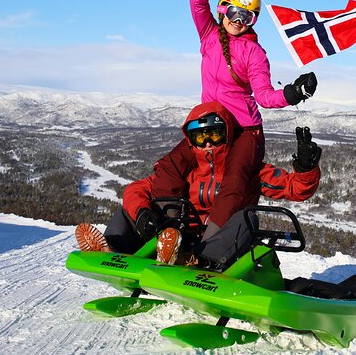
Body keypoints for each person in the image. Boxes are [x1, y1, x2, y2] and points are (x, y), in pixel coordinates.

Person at [148, 0, 318, 239]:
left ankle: (209, 243)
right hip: (210, 126)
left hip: (244, 131)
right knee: (170, 166)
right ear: (223, 8)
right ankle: (169, 232)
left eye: (248, 17)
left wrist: (292, 94)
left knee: (234, 182)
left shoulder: (254, 52)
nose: (239, 21)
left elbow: (263, 95)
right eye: (236, 12)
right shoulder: (209, 35)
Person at [76, 101, 322, 270]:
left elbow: (294, 188)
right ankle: (113, 247)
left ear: (226, 134)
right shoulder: (187, 171)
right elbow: (137, 189)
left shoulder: (247, 172)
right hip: (181, 237)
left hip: (220, 244)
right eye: (199, 137)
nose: (207, 143)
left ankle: (193, 260)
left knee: (247, 219)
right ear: (190, 140)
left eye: (214, 135)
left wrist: (305, 168)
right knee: (129, 209)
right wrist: (142, 215)